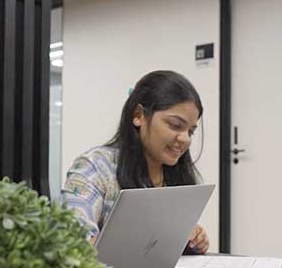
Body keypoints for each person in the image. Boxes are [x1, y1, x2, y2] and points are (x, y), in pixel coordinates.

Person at [62, 70, 209, 254]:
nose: (186, 139)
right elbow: (72, 241)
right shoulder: (95, 167)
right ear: (138, 115)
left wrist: (191, 238)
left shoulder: (175, 175)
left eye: (191, 131)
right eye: (175, 125)